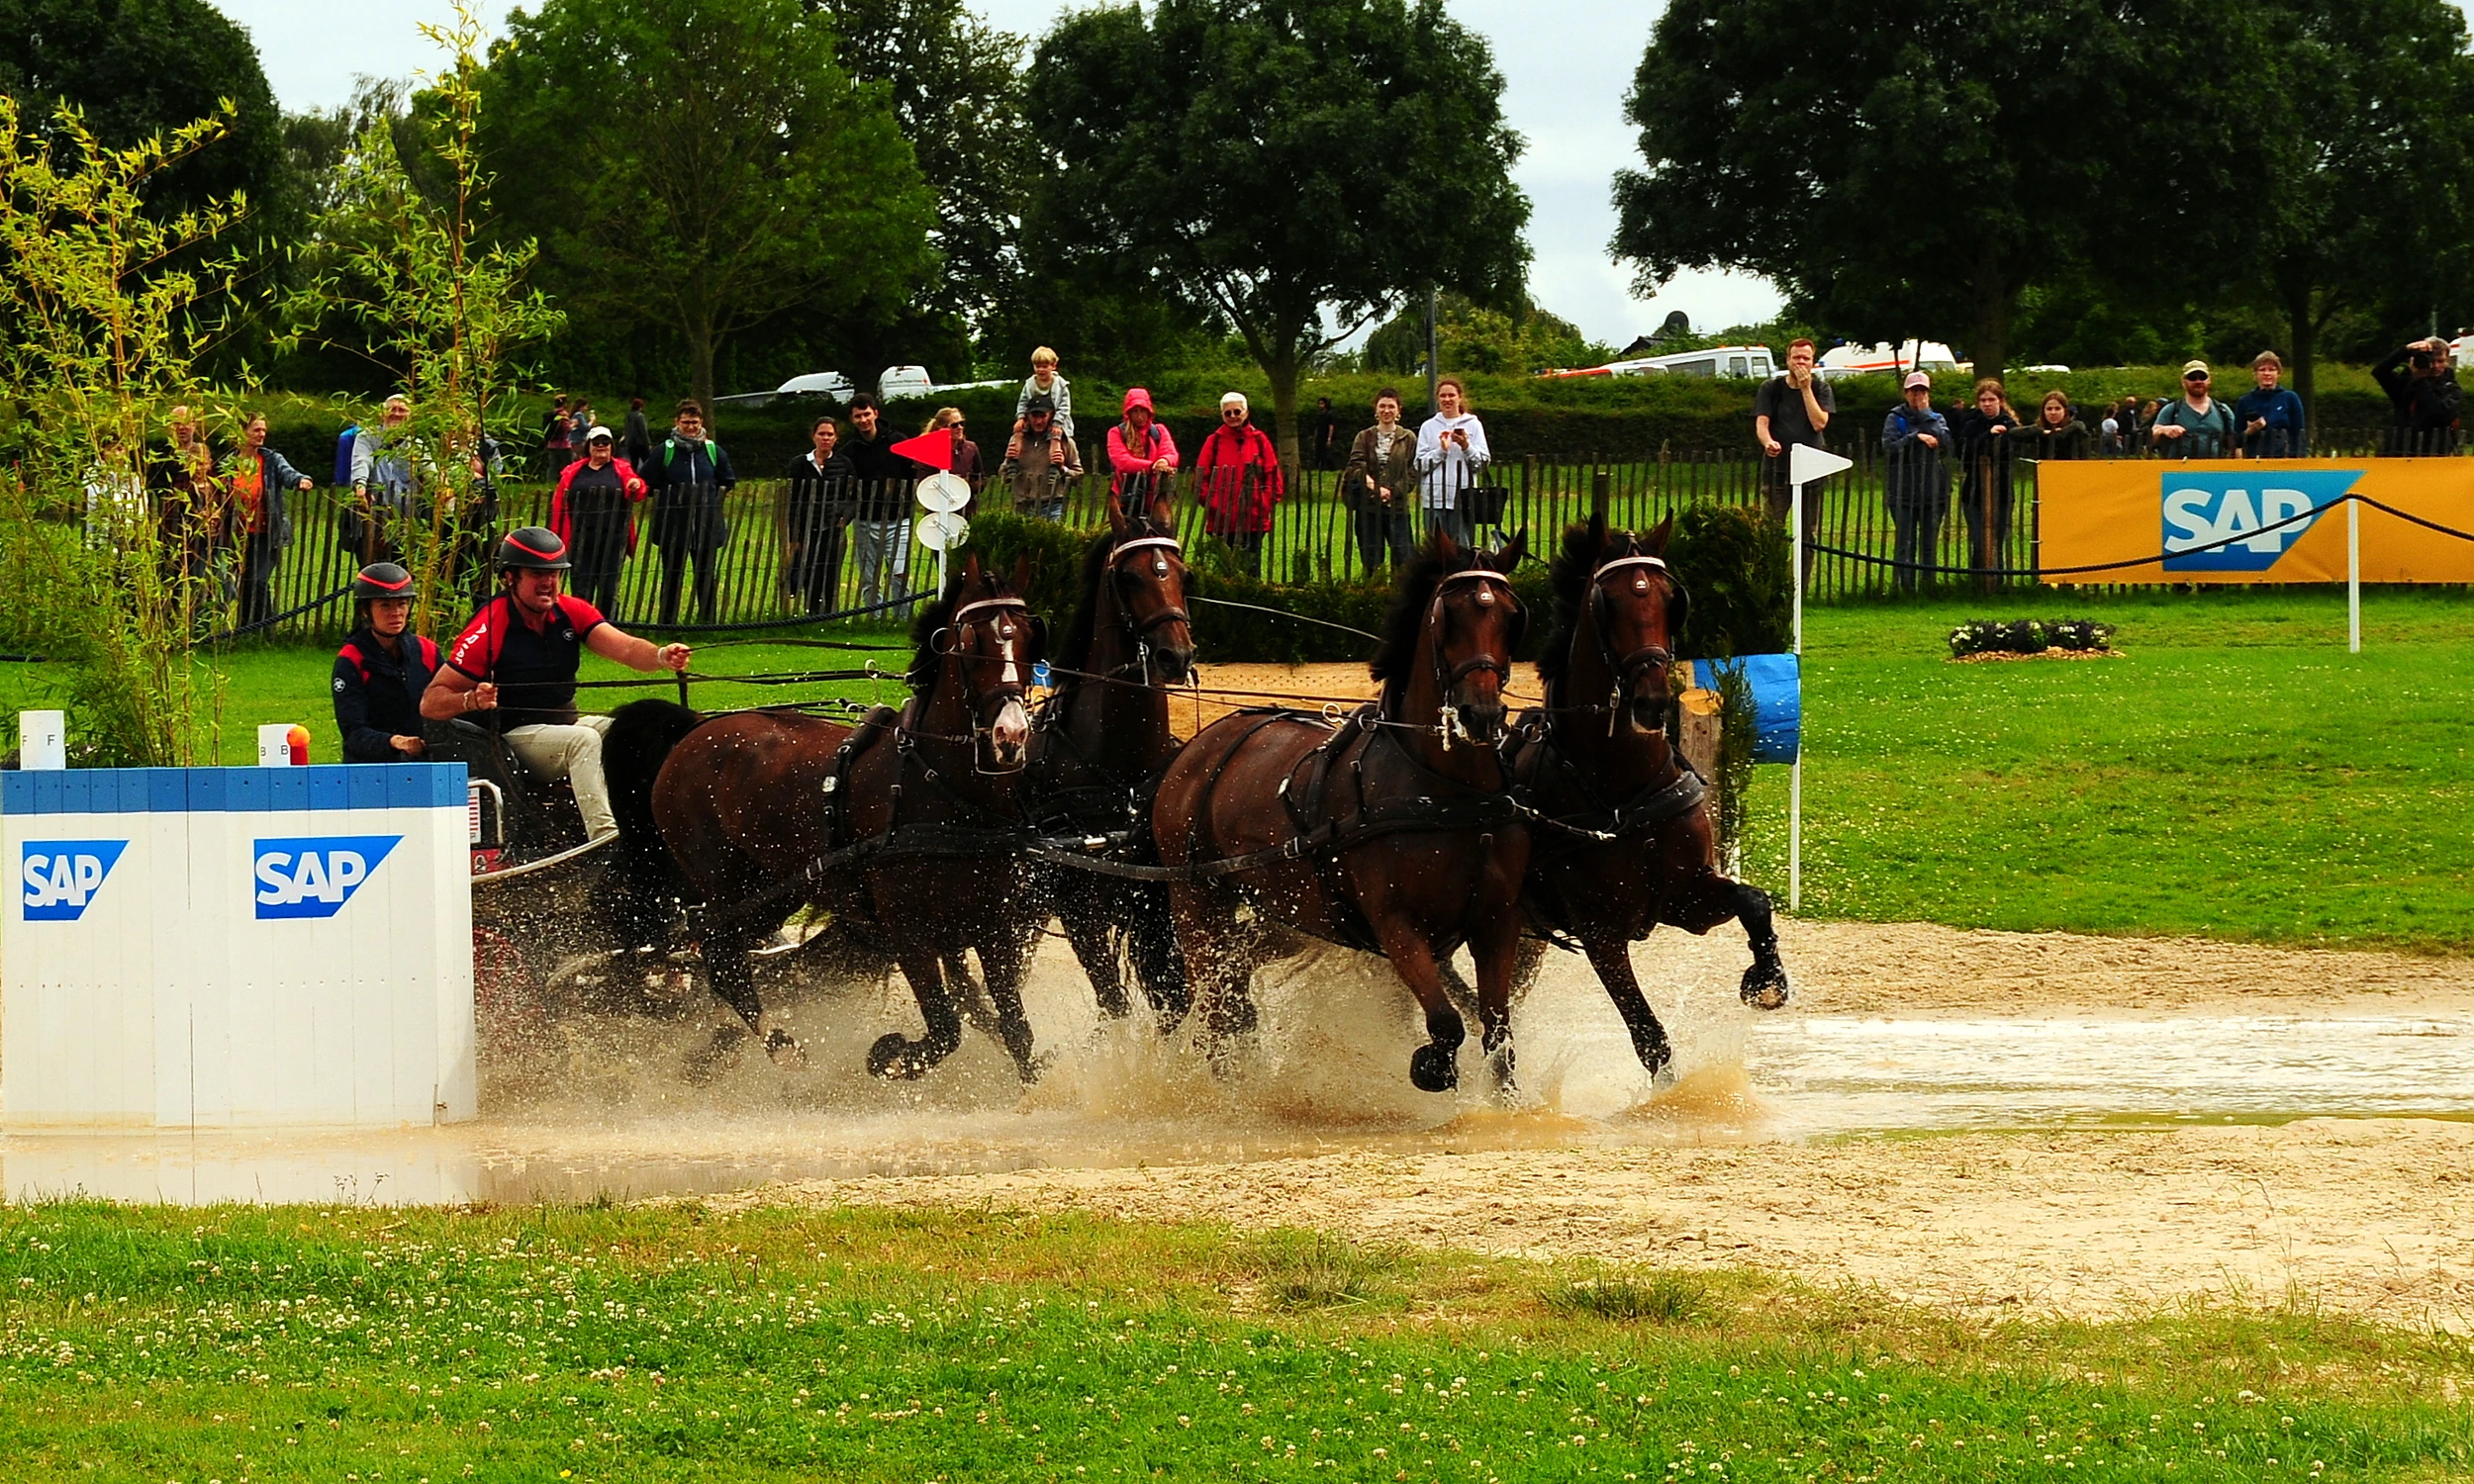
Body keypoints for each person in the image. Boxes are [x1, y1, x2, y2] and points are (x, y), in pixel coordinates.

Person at [421, 526, 691, 843]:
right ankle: (604, 840)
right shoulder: (490, 626)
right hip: (514, 739)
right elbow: (431, 701)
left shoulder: (571, 610)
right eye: (537, 573)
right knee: (585, 741)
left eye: (555, 573)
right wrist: (471, 700)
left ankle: (653, 824)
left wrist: (661, 655)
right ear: (510, 578)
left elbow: (628, 649)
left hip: (567, 725)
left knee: (635, 731)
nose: (548, 582)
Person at [640, 399, 737, 625]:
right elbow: (647, 480)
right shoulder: (665, 451)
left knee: (706, 576)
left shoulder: (713, 451)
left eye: (694, 422)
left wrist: (712, 500)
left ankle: (708, 623)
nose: (691, 427)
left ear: (701, 422)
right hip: (673, 527)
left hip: (706, 527)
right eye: (686, 423)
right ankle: (667, 624)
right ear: (677, 422)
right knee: (672, 576)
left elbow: (728, 480)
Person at [332, 561, 437, 763]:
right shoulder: (351, 660)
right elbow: (353, 732)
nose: (395, 613)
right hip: (369, 769)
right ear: (365, 611)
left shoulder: (427, 651)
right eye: (385, 605)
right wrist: (394, 742)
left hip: (425, 761)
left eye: (401, 604)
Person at [548, 425, 648, 617]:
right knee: (581, 586)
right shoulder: (574, 471)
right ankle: (581, 623)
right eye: (596, 442)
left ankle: (608, 626)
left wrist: (636, 484)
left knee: (609, 588)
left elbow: (639, 491)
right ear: (589, 446)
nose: (601, 446)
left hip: (613, 538)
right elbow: (560, 504)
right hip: (580, 538)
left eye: (606, 442)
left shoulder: (622, 468)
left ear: (612, 446)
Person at [226, 413, 314, 627]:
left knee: (258, 580)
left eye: (264, 430)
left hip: (266, 532)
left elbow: (288, 473)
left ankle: (266, 625)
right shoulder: (227, 463)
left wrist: (302, 480)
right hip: (235, 534)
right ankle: (247, 627)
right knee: (243, 582)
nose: (262, 434)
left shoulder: (271, 459)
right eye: (256, 429)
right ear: (241, 432)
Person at [1754, 337, 1835, 558]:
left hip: (1811, 472)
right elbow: (1762, 423)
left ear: (1813, 362)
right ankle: (1773, 582)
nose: (1801, 363)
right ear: (1787, 360)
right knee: (1771, 530)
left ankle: (1802, 587)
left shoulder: (1821, 388)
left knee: (1807, 535)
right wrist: (1768, 441)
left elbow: (1819, 423)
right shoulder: (1771, 388)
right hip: (1777, 471)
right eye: (1796, 357)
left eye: (1806, 358)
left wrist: (1806, 389)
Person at [1193, 391, 1285, 578]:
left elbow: (1273, 475)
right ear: (1222, 415)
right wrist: (1216, 507)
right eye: (1228, 413)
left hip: (1254, 519)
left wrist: (1264, 503)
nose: (1233, 416)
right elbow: (1200, 479)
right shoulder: (1214, 441)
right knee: (1224, 572)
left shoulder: (1259, 439)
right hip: (1221, 522)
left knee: (1252, 571)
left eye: (1237, 411)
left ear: (1246, 412)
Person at [841, 392, 914, 614]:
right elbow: (845, 486)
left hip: (898, 518)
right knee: (869, 576)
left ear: (875, 414)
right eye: (857, 416)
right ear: (852, 419)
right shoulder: (850, 450)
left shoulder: (898, 442)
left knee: (898, 573)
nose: (863, 420)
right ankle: (875, 618)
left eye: (866, 414)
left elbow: (912, 474)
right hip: (864, 520)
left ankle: (902, 618)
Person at [1881, 372, 1951, 594]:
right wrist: (1915, 437)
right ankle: (1906, 588)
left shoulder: (1936, 417)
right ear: (1906, 393)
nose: (1917, 395)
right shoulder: (1895, 418)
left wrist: (1925, 415)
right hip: (1902, 490)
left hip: (1933, 490)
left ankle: (1928, 587)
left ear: (1928, 394)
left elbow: (1947, 443)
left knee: (1929, 542)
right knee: (1906, 541)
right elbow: (1889, 447)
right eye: (1913, 391)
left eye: (1922, 391)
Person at [785, 415, 854, 614]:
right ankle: (812, 612)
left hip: (833, 528)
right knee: (808, 573)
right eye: (821, 434)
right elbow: (792, 500)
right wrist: (794, 535)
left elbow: (854, 496)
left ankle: (830, 613)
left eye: (830, 434)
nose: (826, 438)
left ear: (836, 438)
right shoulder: (800, 464)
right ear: (813, 436)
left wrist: (845, 518)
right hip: (808, 528)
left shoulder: (844, 464)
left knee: (830, 572)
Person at [1343, 387, 1417, 574]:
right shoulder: (1364, 436)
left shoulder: (1408, 438)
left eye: (1391, 406)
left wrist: (1393, 492)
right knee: (1371, 560)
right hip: (1368, 507)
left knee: (1404, 558)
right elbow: (1355, 466)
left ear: (1399, 410)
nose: (1386, 410)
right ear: (1375, 410)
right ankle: (1374, 594)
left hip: (1398, 508)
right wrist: (1375, 488)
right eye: (1382, 406)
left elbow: (1413, 470)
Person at [1953, 377, 2021, 578]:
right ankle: (1977, 581)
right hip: (1973, 492)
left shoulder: (2010, 425)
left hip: (2001, 491)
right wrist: (1988, 435)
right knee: (1979, 540)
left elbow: (2009, 450)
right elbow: (1963, 452)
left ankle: (1997, 581)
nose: (1987, 404)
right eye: (1983, 400)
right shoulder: (1972, 423)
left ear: (2000, 400)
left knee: (1996, 540)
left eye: (1991, 399)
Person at [150, 404, 221, 590]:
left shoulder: (206, 454)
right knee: (170, 578)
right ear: (169, 427)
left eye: (186, 423)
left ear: (195, 425)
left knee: (203, 581)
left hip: (203, 534)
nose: (181, 428)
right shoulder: (160, 456)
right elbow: (156, 487)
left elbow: (218, 489)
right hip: (172, 528)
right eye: (176, 423)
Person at [1416, 377, 1490, 549]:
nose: (1447, 399)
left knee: (1462, 549)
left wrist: (1466, 446)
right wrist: (1441, 451)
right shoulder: (1428, 427)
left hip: (1463, 498)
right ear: (1437, 399)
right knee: (1436, 550)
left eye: (1451, 395)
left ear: (1459, 397)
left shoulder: (1474, 425)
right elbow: (1419, 465)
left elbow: (1482, 463)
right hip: (1434, 499)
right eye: (1443, 396)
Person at [348, 395, 418, 564]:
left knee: (403, 572)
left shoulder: (417, 445)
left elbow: (431, 474)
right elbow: (361, 461)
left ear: (410, 416)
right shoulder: (367, 438)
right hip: (373, 519)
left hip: (406, 521)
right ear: (382, 414)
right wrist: (360, 486)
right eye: (392, 409)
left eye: (402, 410)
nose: (396, 414)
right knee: (371, 571)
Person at [2372, 336, 2462, 456]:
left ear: (2447, 361)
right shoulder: (2405, 383)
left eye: (2440, 361)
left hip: (2434, 454)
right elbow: (2380, 372)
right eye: (2431, 361)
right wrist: (2405, 350)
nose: (2435, 366)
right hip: (2399, 451)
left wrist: (2421, 381)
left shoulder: (2451, 388)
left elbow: (2439, 411)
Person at [999, 393, 1078, 520]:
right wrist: (1008, 461)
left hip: (1052, 504)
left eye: (1043, 416)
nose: (1038, 421)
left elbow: (1078, 476)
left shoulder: (1064, 442)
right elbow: (1003, 475)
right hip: (1023, 505)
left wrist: (1062, 468)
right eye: (1034, 416)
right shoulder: (1017, 440)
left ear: (1051, 416)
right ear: (1027, 416)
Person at [2150, 361, 2238, 459]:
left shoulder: (2223, 410)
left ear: (2209, 380)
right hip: (2178, 470)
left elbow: (2236, 442)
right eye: (2192, 378)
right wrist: (2164, 430)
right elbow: (2152, 436)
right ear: (2183, 382)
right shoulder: (2172, 409)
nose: (2198, 381)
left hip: (2214, 470)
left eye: (2202, 377)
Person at [1106, 387, 1179, 501]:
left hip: (1155, 493)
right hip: (1126, 492)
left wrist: (1164, 461)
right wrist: (1151, 466)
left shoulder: (1159, 430)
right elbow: (1122, 461)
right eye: (1135, 411)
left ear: (1149, 411)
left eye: (1143, 411)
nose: (1140, 416)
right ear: (1128, 413)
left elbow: (1170, 452)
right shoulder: (1116, 433)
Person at [2236, 351, 2309, 459]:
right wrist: (2250, 431)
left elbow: (2299, 433)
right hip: (2254, 460)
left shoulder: (2290, 398)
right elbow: (2236, 440)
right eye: (2262, 370)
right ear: (2255, 374)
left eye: (2271, 369)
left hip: (2284, 460)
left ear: (2278, 373)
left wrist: (2298, 459)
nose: (2267, 373)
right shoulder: (2244, 401)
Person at [1015, 346, 1074, 441]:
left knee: (1056, 438)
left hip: (1055, 421)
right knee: (1017, 435)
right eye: (1038, 367)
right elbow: (1023, 402)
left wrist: (1057, 424)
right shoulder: (1029, 384)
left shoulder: (1061, 385)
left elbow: (1064, 407)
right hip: (1034, 422)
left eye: (1045, 367)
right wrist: (1021, 418)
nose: (1041, 370)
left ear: (1053, 366)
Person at [925, 407, 983, 498]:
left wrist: (966, 485)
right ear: (942, 428)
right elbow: (924, 485)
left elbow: (981, 478)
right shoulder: (929, 451)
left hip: (966, 505)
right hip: (938, 505)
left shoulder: (971, 448)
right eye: (954, 425)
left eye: (962, 423)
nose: (960, 428)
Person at [2025, 390, 2093, 461]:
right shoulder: (2039, 428)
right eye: (2049, 409)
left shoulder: (2074, 427)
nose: (2053, 412)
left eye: (2057, 408)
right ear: (2043, 411)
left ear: (2065, 410)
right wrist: (2041, 431)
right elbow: (2014, 432)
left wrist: (2059, 433)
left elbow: (2080, 426)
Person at [540, 394, 572, 478]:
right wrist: (574, 424)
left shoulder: (552, 414)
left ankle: (550, 482)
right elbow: (567, 428)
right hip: (563, 444)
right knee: (568, 465)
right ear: (564, 404)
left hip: (551, 443)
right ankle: (567, 480)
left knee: (552, 465)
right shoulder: (563, 414)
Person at [622, 395, 653, 469]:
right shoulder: (640, 416)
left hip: (630, 443)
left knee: (634, 462)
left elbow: (626, 428)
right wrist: (648, 443)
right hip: (640, 443)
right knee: (647, 461)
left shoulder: (628, 415)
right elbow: (643, 431)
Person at [1310, 396, 1340, 471]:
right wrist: (1314, 439)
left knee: (1327, 454)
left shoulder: (1329, 415)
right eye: (1319, 404)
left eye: (1322, 404)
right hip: (1319, 436)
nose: (1320, 405)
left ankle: (1331, 468)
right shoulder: (1319, 415)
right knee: (1318, 453)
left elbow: (1331, 427)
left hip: (1325, 436)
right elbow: (1317, 428)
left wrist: (1329, 438)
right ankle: (1319, 467)